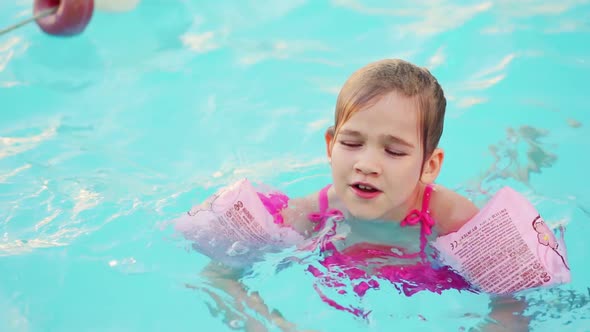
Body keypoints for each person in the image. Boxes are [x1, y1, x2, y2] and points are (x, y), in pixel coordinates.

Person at [191, 59, 530, 331]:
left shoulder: (452, 218)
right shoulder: (310, 215)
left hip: (431, 273)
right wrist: (269, 324)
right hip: (351, 271)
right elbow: (219, 277)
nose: (366, 165)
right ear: (329, 145)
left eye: (394, 152)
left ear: (429, 165)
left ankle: (525, 150)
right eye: (352, 144)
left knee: (501, 175)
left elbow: (511, 303)